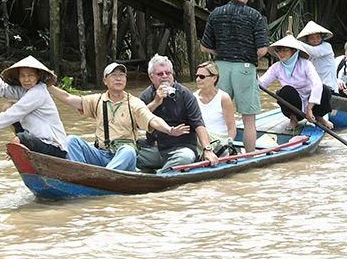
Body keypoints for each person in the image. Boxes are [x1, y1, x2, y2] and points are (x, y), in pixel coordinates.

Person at [48, 62, 188, 171]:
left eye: (121, 75)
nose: (118, 79)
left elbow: (153, 119)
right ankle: (80, 173)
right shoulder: (97, 100)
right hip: (101, 153)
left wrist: (170, 130)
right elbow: (68, 98)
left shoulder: (133, 102)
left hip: (122, 156)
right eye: (114, 76)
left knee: (129, 151)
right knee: (72, 140)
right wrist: (48, 86)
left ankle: (104, 177)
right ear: (105, 81)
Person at [201, 0, 269, 152]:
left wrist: (221, 52)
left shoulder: (216, 14)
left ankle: (214, 150)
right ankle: (249, 158)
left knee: (219, 114)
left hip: (220, 68)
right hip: (245, 69)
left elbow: (204, 46)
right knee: (249, 120)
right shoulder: (254, 16)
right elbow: (262, 50)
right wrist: (246, 54)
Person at [0, 48, 67, 158]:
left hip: (53, 146)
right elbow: (2, 89)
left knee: (19, 137)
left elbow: (14, 113)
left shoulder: (39, 92)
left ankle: (20, 144)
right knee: (8, 106)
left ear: (38, 76)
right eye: (22, 76)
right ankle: (21, 145)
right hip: (37, 139)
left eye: (30, 75)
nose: (26, 79)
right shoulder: (24, 91)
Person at [138, 55, 219, 173]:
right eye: (160, 74)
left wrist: (207, 150)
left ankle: (158, 176)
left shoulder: (185, 94)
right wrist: (156, 102)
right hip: (155, 149)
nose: (165, 77)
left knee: (185, 158)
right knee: (129, 153)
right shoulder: (146, 95)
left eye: (168, 73)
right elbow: (136, 123)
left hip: (181, 149)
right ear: (151, 77)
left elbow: (198, 124)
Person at [258, 35, 334, 130]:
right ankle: (293, 119)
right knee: (285, 91)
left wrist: (310, 108)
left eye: (285, 50)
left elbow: (317, 84)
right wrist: (252, 75)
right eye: (279, 51)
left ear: (294, 51)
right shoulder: (276, 67)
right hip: (294, 105)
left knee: (325, 89)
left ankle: (318, 117)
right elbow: (262, 84)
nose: (281, 53)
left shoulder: (306, 64)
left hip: (312, 103)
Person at [193, 61, 237, 150]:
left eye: (202, 77)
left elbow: (232, 128)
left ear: (214, 78)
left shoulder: (223, 98)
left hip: (218, 140)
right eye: (197, 76)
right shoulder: (193, 97)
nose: (198, 79)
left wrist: (229, 143)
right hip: (200, 137)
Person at [297, 21, 338, 92]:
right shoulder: (306, 53)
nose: (315, 40)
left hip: (329, 88)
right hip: (314, 88)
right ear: (307, 40)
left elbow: (315, 52)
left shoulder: (326, 46)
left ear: (322, 38)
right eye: (312, 38)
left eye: (318, 37)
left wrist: (295, 42)